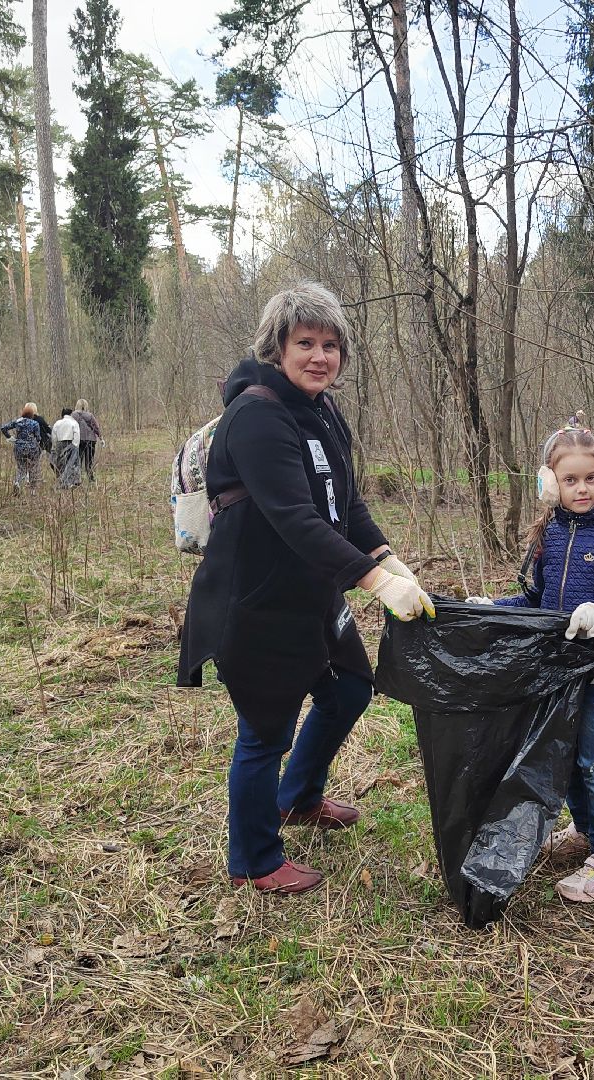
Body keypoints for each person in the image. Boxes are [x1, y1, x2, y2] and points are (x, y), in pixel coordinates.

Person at [178, 282, 435, 896]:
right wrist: (374, 582)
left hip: (314, 591)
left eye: (330, 344)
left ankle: (299, 798)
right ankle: (254, 860)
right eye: (305, 343)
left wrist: (387, 557)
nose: (319, 356)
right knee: (266, 730)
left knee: (348, 689)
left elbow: (345, 503)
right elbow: (294, 517)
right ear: (278, 347)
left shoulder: (322, 410)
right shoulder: (256, 415)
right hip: (257, 597)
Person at [466, 419, 594, 904]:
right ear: (551, 483)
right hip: (553, 674)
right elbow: (535, 598)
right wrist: (494, 607)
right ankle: (587, 832)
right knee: (563, 762)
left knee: (593, 762)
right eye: (570, 480)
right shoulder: (547, 534)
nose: (582, 488)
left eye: (590, 478)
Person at [0, 403, 44, 490]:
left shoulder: (17, 422)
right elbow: (38, 438)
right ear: (32, 415)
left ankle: (17, 482)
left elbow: (3, 428)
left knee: (21, 468)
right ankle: (33, 490)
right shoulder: (35, 423)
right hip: (32, 449)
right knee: (33, 468)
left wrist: (10, 438)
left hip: (19, 447)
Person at [51, 408, 82, 489]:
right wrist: (75, 445)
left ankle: (62, 481)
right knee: (72, 464)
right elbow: (77, 434)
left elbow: (54, 436)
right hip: (70, 443)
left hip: (59, 444)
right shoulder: (74, 422)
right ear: (71, 414)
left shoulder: (58, 423)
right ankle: (71, 482)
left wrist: (54, 446)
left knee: (61, 463)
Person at [72, 398, 101, 482]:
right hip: (91, 440)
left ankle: (77, 479)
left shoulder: (73, 415)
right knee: (89, 461)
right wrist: (100, 437)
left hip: (79, 440)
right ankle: (91, 478)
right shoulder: (90, 415)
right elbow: (96, 427)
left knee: (78, 460)